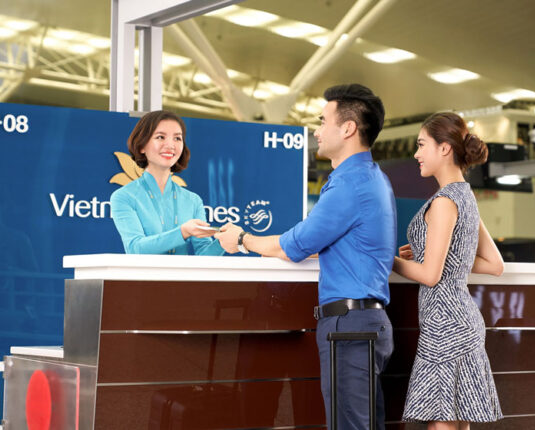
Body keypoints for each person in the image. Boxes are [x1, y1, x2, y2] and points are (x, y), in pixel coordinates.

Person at [215, 84, 396, 430]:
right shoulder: (372, 178)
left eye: (323, 121)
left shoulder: (350, 184)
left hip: (350, 327)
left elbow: (294, 246)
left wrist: (241, 238)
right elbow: (317, 241)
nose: (316, 130)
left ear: (348, 128)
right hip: (362, 325)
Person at [393, 112, 505, 429]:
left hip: (444, 324)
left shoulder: (443, 201)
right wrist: (430, 253)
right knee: (458, 421)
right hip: (461, 321)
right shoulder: (465, 195)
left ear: (444, 148)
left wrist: (386, 259)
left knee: (441, 423)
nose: (416, 154)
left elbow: (431, 276)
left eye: (421, 144)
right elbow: (494, 264)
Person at [110, 110, 224, 256]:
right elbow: (135, 248)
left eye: (177, 138)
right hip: (142, 272)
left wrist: (223, 242)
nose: (170, 145)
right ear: (141, 146)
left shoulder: (193, 200)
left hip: (182, 272)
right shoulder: (124, 196)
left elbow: (204, 255)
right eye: (160, 137)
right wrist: (183, 232)